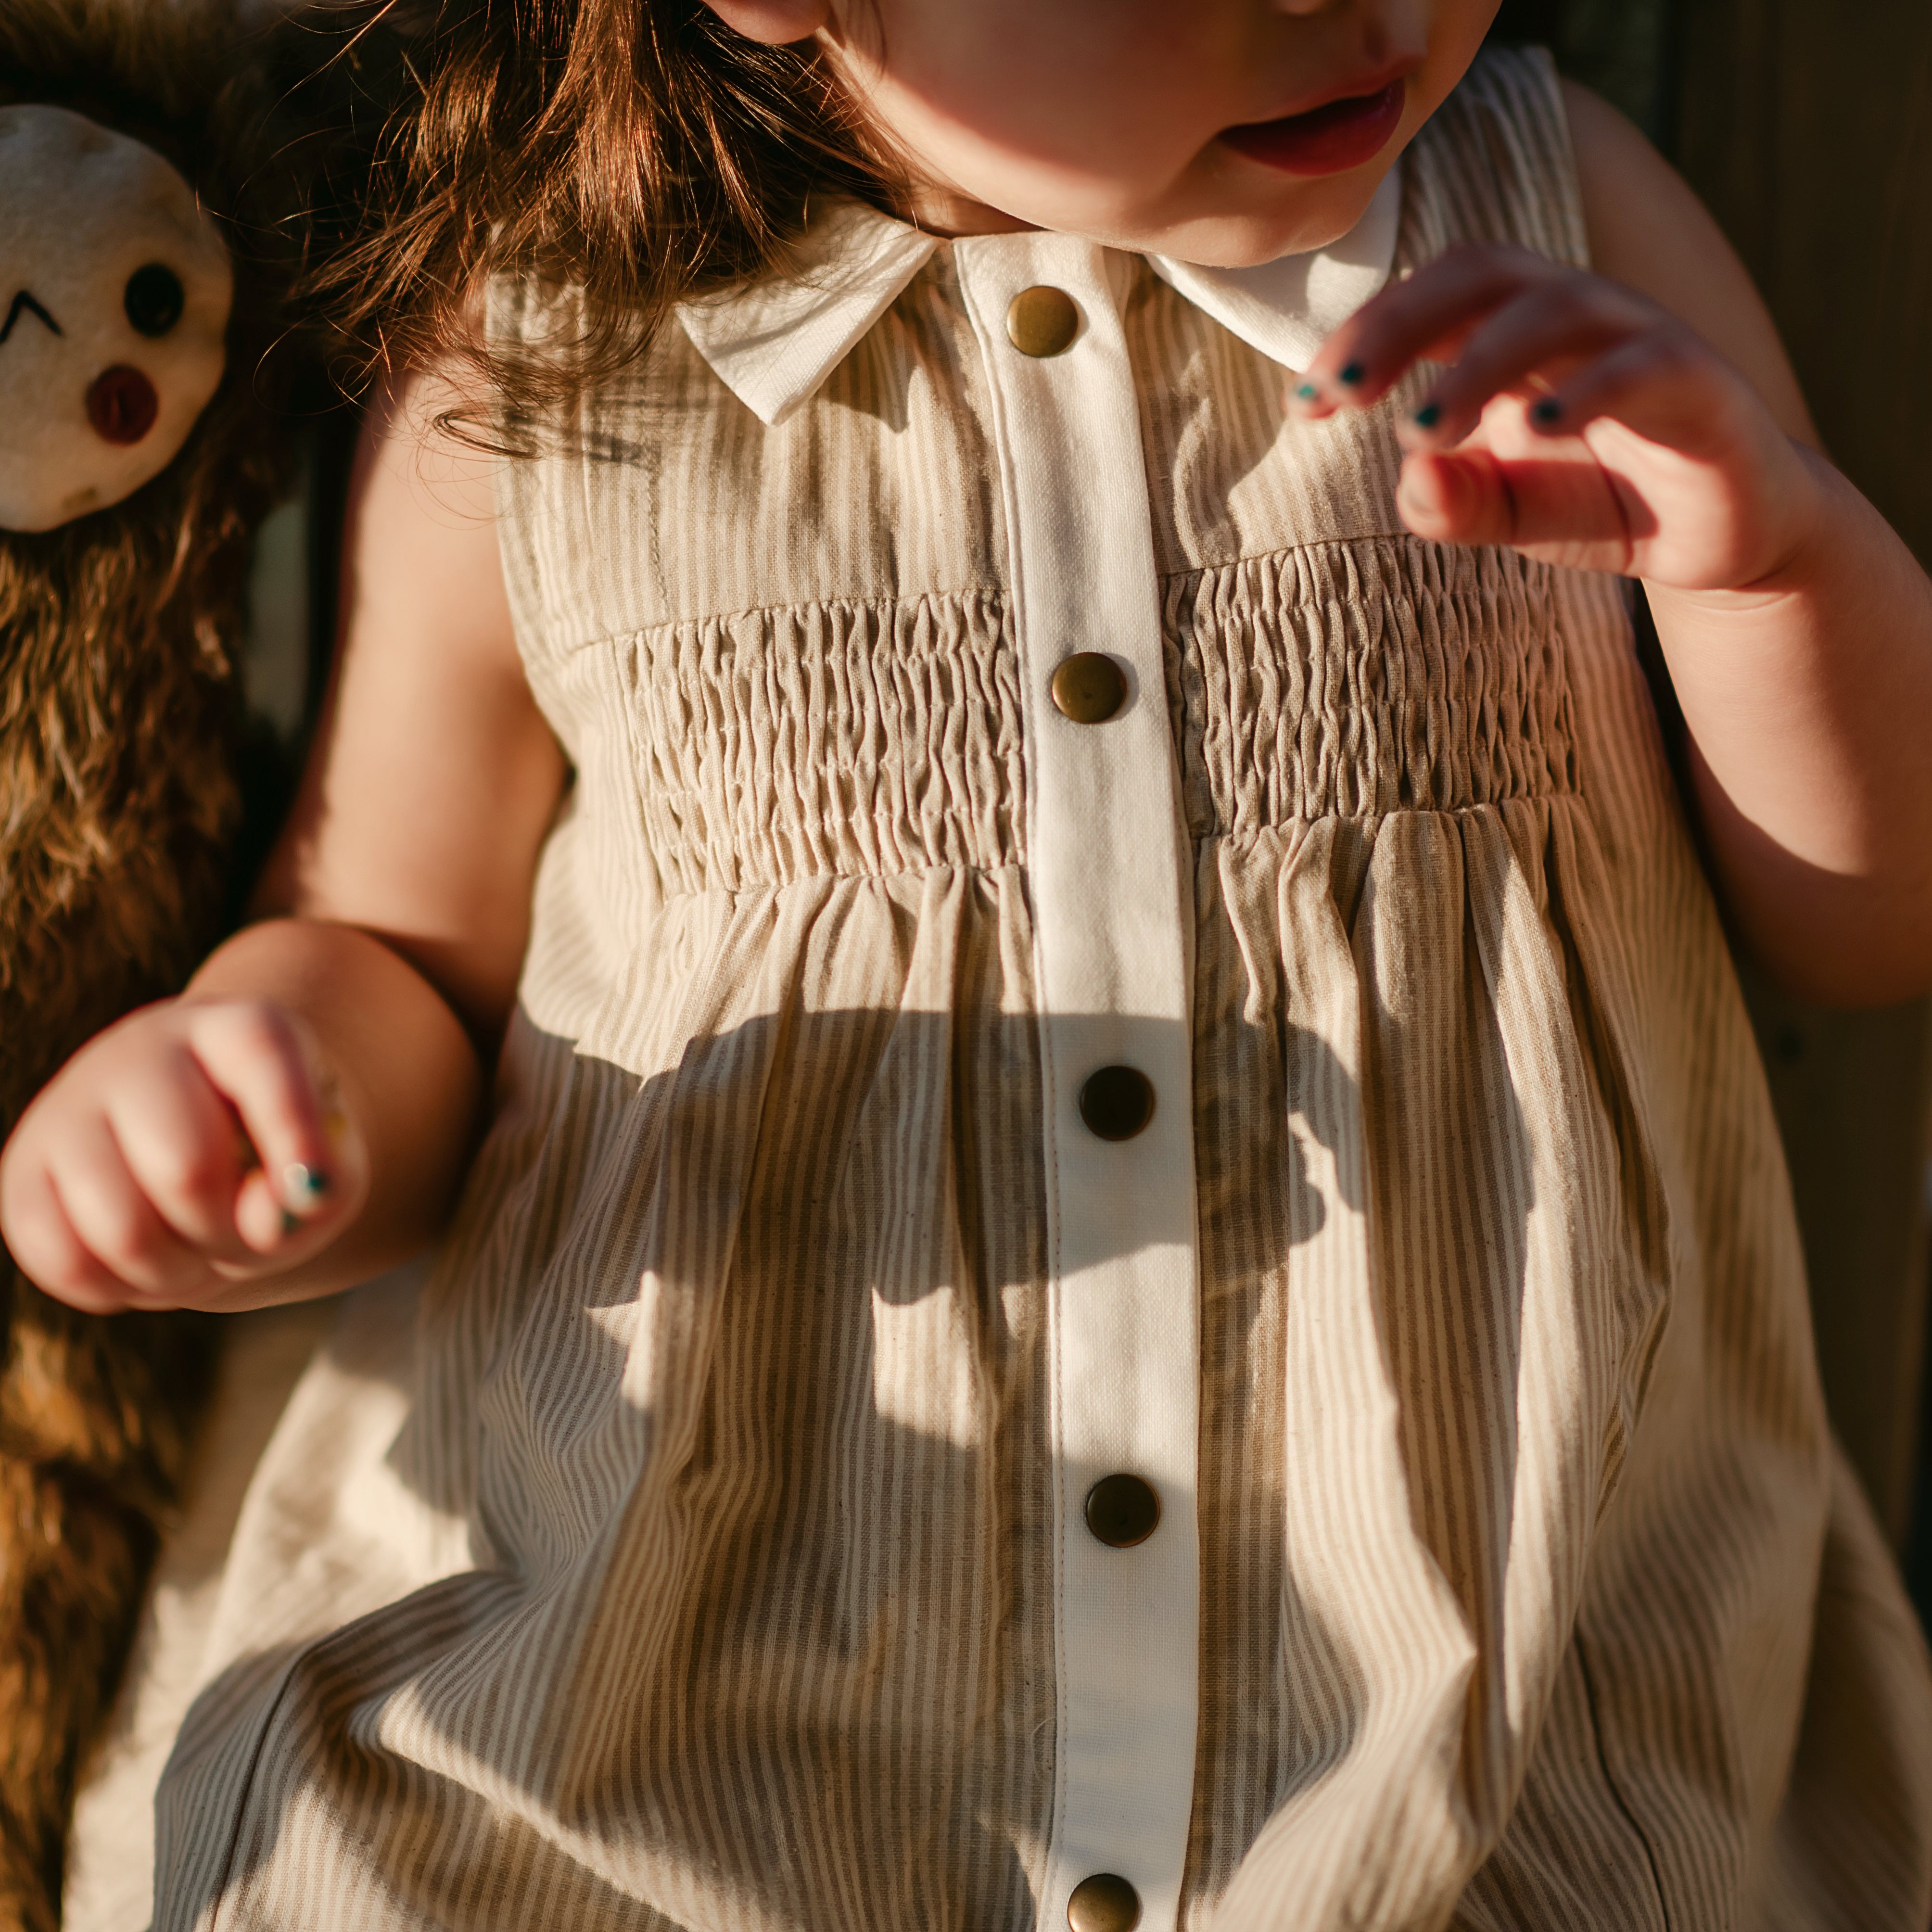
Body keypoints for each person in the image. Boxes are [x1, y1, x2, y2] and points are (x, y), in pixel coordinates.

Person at [8, 0, 1932, 1925]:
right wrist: (254, 1080)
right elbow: (395, 948)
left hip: (1453, 1727)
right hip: (663, 1704)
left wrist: (1769, 563)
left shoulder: (1549, 223)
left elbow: (1863, 923)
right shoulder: (553, 359)